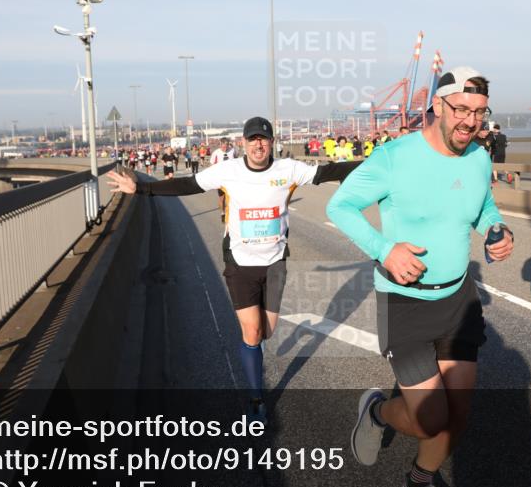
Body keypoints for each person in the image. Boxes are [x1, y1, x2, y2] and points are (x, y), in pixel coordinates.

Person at [327, 66, 514, 487]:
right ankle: (376, 412)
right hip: (406, 302)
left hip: (458, 300)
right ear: (437, 106)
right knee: (431, 419)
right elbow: (340, 206)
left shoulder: (478, 157)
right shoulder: (394, 157)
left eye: (480, 112)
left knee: (459, 414)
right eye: (461, 110)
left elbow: (483, 205)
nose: (470, 122)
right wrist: (384, 249)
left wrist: (495, 227)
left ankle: (419, 484)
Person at [107, 117, 361, 422]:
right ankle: (256, 399)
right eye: (252, 139)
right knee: (252, 332)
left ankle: (253, 350)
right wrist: (141, 189)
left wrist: (381, 162)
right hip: (240, 264)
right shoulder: (229, 171)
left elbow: (329, 171)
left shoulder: (289, 170)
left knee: (266, 331)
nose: (258, 144)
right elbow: (187, 185)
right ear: (243, 142)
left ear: (271, 143)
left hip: (276, 262)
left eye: (263, 139)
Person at [209, 137, 237, 221]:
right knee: (222, 198)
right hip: (220, 180)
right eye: (223, 146)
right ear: (220, 145)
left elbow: (236, 159)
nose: (224, 148)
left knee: (231, 198)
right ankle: (222, 213)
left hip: (231, 179)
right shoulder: (216, 153)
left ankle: (231, 213)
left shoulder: (233, 150)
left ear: (228, 145)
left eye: (226, 146)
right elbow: (211, 166)